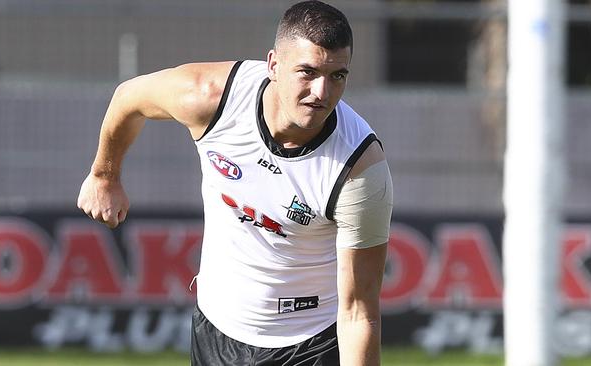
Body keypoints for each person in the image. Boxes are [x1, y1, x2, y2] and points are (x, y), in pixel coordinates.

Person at [77, 1, 393, 364]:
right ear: (274, 65)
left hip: (309, 343)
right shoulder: (210, 98)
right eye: (307, 72)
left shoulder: (359, 169)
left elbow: (359, 313)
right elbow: (129, 97)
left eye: (337, 76)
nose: (321, 93)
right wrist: (105, 175)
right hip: (216, 331)